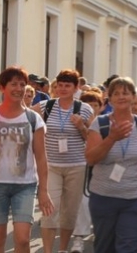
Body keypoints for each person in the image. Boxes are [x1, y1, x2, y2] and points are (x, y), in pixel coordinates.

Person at [84, 77, 137, 253]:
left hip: (133, 199)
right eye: (116, 94)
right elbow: (91, 159)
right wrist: (111, 138)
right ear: (110, 99)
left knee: (129, 248)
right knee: (105, 248)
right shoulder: (100, 124)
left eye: (125, 93)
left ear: (133, 97)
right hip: (103, 198)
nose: (121, 97)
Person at [0, 67, 54, 253]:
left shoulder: (33, 119)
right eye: (13, 84)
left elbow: (41, 157)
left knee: (22, 239)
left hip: (25, 185)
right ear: (2, 87)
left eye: (22, 84)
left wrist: (43, 191)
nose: (19, 88)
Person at [32, 69, 94, 253]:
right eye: (60, 85)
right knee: (49, 210)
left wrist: (81, 126)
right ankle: (48, 251)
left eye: (67, 86)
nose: (63, 89)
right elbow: (25, 118)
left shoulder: (84, 109)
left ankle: (63, 249)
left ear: (76, 88)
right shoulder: (45, 106)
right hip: (51, 166)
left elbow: (93, 139)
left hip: (76, 166)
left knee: (69, 212)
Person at [70, 90, 104, 253]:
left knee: (102, 202)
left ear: (101, 107)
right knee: (82, 202)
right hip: (81, 166)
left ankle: (99, 231)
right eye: (88, 105)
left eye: (95, 105)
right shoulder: (73, 122)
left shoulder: (106, 123)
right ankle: (78, 238)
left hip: (103, 168)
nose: (92, 108)